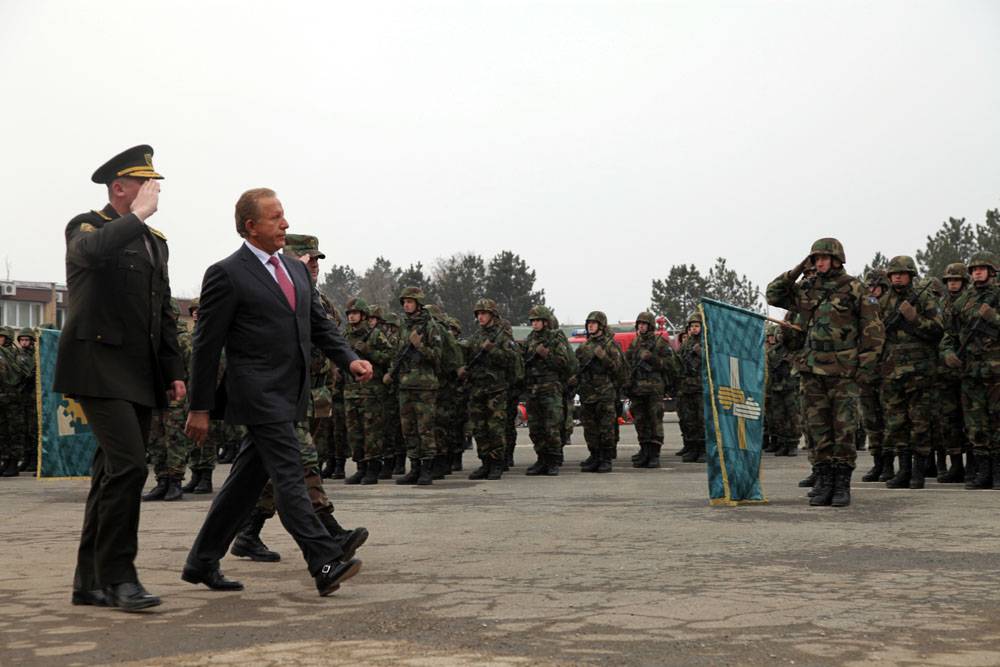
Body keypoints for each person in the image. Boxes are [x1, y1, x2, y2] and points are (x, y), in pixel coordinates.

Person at [182, 188, 373, 597]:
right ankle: (324, 560)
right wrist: (199, 407)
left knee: (245, 483)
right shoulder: (226, 274)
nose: (285, 224)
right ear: (251, 226)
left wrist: (349, 359)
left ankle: (202, 560)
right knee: (289, 476)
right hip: (257, 394)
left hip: (293, 393)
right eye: (275, 217)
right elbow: (206, 346)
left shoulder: (295, 270)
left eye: (284, 215)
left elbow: (318, 325)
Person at [53, 145, 184, 611]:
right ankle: (119, 577)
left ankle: (88, 582)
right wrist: (138, 216)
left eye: (155, 185)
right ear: (119, 188)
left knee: (110, 472)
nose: (154, 191)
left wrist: (173, 370)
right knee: (130, 467)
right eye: (145, 184)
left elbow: (161, 310)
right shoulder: (87, 226)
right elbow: (89, 255)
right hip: (97, 367)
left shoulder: (155, 241)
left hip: (139, 372)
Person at [766, 238, 884, 507]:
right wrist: (798, 268)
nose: (819, 263)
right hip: (811, 370)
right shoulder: (807, 288)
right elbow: (774, 294)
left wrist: (863, 368)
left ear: (837, 260)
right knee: (816, 428)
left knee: (843, 428)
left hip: (843, 371)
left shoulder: (855, 288)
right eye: (815, 258)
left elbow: (874, 331)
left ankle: (841, 483)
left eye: (823, 258)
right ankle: (824, 480)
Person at [878, 256, 943, 490]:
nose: (897, 277)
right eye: (894, 273)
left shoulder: (924, 298)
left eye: (902, 273)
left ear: (911, 275)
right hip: (891, 371)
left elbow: (938, 330)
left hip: (920, 372)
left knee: (920, 422)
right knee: (896, 423)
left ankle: (918, 472)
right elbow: (874, 333)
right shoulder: (883, 302)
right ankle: (903, 470)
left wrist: (914, 319)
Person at [940, 251, 1000, 490]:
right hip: (971, 372)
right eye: (974, 269)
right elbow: (949, 334)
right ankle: (983, 471)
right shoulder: (962, 302)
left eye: (981, 269)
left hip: (996, 372)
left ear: (991, 271)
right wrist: (948, 353)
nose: (977, 272)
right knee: (976, 424)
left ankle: (998, 471)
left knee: (997, 421)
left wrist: (994, 317)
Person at [383, 287, 444, 486]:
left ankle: (427, 469)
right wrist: (391, 372)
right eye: (404, 302)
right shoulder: (403, 326)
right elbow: (397, 354)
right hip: (405, 385)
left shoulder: (430, 326)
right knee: (408, 429)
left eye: (410, 301)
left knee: (425, 429)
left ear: (418, 303)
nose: (406, 305)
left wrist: (420, 346)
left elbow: (437, 357)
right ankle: (415, 467)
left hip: (425, 386)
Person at [460, 299, 516, 480]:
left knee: (495, 428)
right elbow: (468, 355)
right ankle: (485, 462)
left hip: (495, 390)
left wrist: (493, 350)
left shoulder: (502, 336)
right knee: (479, 428)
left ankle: (497, 463)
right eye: (478, 314)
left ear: (492, 315)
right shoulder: (477, 336)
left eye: (484, 313)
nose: (480, 317)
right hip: (477, 388)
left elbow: (511, 360)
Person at [573, 311, 626, 473]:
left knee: (606, 428)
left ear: (601, 326)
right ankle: (595, 456)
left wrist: (604, 358)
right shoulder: (584, 347)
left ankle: (606, 459)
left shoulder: (610, 345)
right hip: (587, 393)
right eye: (588, 323)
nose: (590, 326)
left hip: (604, 393)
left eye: (594, 323)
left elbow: (619, 370)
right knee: (590, 428)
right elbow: (576, 367)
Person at [523, 305, 572, 475]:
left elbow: (564, 363)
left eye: (538, 320)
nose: (534, 324)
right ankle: (541, 459)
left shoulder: (555, 338)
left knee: (552, 426)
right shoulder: (530, 339)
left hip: (550, 388)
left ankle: (553, 461)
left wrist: (547, 355)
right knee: (536, 428)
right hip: (533, 389)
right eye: (533, 321)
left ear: (545, 322)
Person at [625, 312, 676, 468]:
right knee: (640, 421)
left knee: (655, 421)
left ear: (650, 326)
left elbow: (670, 365)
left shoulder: (660, 343)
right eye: (639, 324)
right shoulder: (635, 342)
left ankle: (654, 455)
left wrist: (652, 359)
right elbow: (628, 362)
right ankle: (645, 451)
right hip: (638, 390)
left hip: (654, 389)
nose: (641, 326)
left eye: (644, 324)